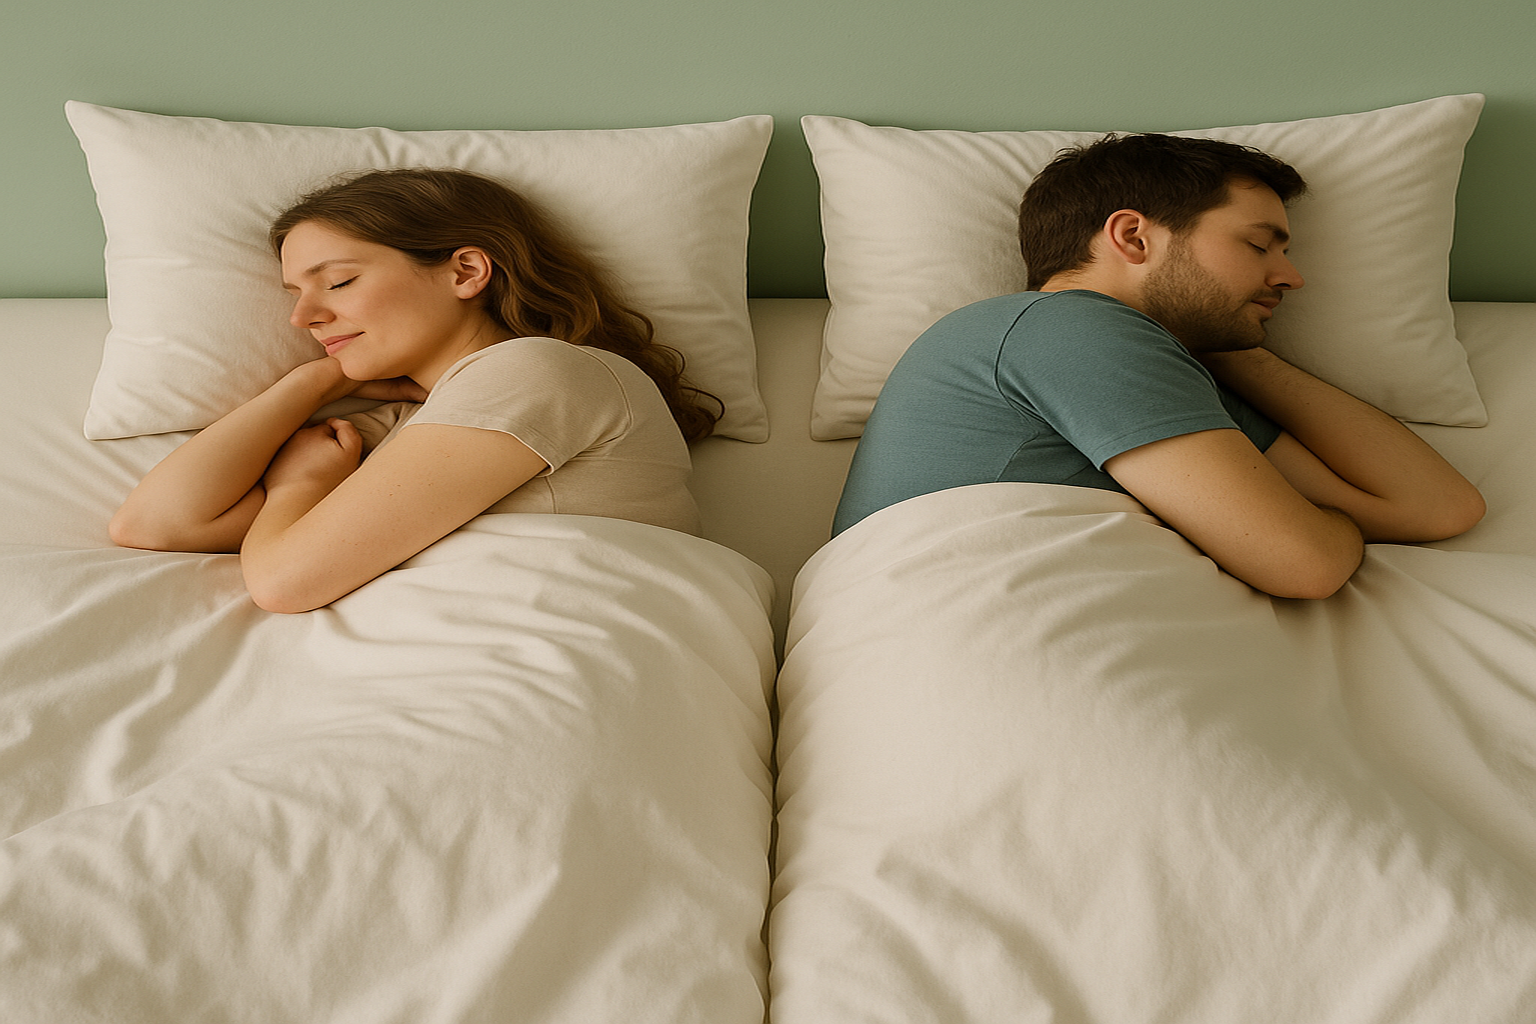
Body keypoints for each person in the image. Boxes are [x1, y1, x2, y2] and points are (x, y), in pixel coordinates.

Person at [832, 133, 1484, 599]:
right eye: (1258, 245)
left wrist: (1235, 353)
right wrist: (1320, 529)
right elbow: (1304, 563)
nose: (1290, 276)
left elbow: (1439, 508)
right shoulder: (1061, 328)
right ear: (1134, 237)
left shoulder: (1165, 379)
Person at [110, 168, 721, 613]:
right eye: (295, 294)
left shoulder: (541, 371)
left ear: (466, 271)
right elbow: (157, 523)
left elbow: (283, 582)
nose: (303, 319)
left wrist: (300, 486)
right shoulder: (414, 422)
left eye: (339, 281)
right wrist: (311, 382)